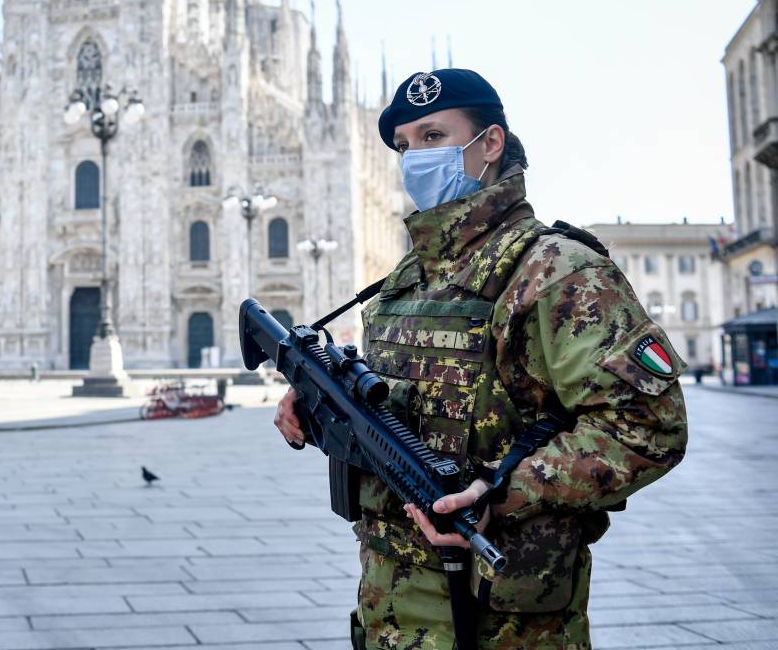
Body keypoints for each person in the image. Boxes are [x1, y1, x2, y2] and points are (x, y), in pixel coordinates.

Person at [274, 70, 688, 650]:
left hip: (505, 623)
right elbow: (396, 417)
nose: (415, 157)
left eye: (434, 135)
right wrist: (316, 411)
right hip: (388, 610)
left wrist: (501, 493)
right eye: (404, 145)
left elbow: (649, 426)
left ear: (489, 144)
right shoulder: (405, 280)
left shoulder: (556, 270)